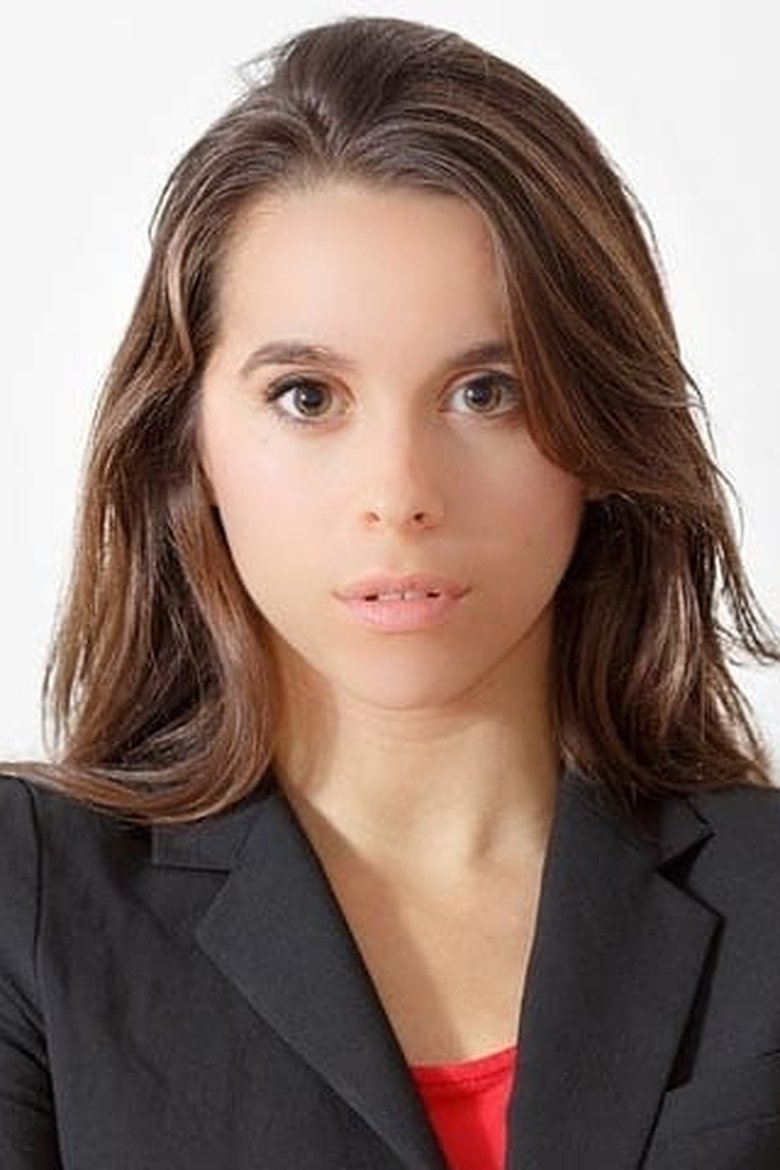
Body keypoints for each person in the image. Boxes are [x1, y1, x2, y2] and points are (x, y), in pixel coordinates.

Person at [1, 14, 778, 1169]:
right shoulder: (28, 901)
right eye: (308, 397)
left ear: (603, 433)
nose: (400, 495)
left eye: (487, 392)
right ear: (186, 442)